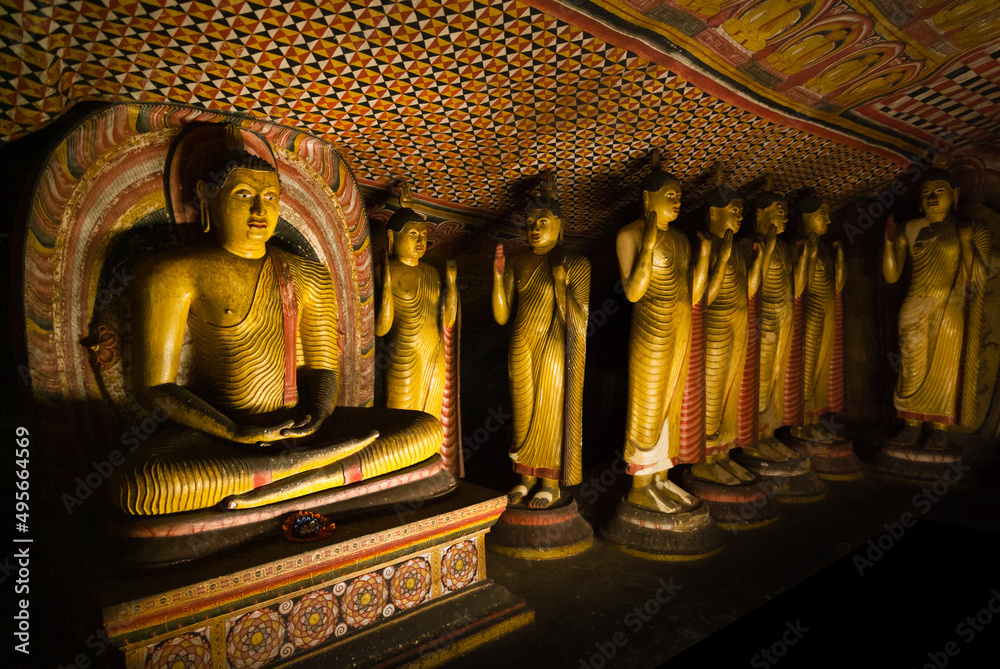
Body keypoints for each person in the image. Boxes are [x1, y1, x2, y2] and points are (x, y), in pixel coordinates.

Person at [110, 124, 441, 515]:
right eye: (244, 195)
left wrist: (317, 416)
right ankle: (318, 479)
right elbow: (158, 387)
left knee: (424, 430)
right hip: (223, 438)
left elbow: (322, 368)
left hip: (304, 430)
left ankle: (284, 479)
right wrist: (235, 430)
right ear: (206, 196)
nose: (259, 210)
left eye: (269, 197)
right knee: (141, 485)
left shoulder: (309, 274)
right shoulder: (171, 273)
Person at [616, 156, 719, 512]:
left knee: (671, 401)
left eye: (680, 196)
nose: (678, 202)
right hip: (650, 331)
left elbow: (693, 294)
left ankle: (661, 475)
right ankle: (640, 483)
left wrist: (704, 255)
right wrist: (646, 242)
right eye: (670, 195)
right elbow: (632, 291)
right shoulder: (629, 234)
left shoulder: (680, 239)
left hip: (680, 328)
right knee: (646, 402)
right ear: (648, 199)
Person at [493, 173, 590, 509]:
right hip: (520, 344)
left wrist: (562, 285)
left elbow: (579, 321)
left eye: (543, 222)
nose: (534, 228)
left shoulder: (574, 262)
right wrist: (497, 277)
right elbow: (502, 316)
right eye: (531, 222)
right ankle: (525, 478)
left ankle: (550, 481)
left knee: (549, 411)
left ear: (560, 225)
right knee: (522, 415)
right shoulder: (519, 262)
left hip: (553, 348)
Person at [883, 165, 992, 449]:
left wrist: (967, 242)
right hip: (914, 306)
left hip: (950, 309)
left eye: (939, 191)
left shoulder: (968, 228)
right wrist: (888, 243)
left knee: (946, 370)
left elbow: (978, 276)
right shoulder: (909, 227)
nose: (932, 197)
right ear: (919, 199)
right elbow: (892, 275)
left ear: (954, 195)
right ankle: (910, 425)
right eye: (927, 193)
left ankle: (940, 428)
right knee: (910, 367)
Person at [375, 184, 461, 475]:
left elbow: (447, 320)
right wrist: (385, 283)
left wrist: (450, 284)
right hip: (403, 355)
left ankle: (424, 472)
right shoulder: (389, 269)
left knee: (430, 417)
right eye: (413, 234)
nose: (421, 241)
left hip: (433, 356)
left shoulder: (431, 273)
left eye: (424, 236)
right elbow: (382, 327)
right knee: (400, 420)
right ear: (392, 237)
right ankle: (396, 474)